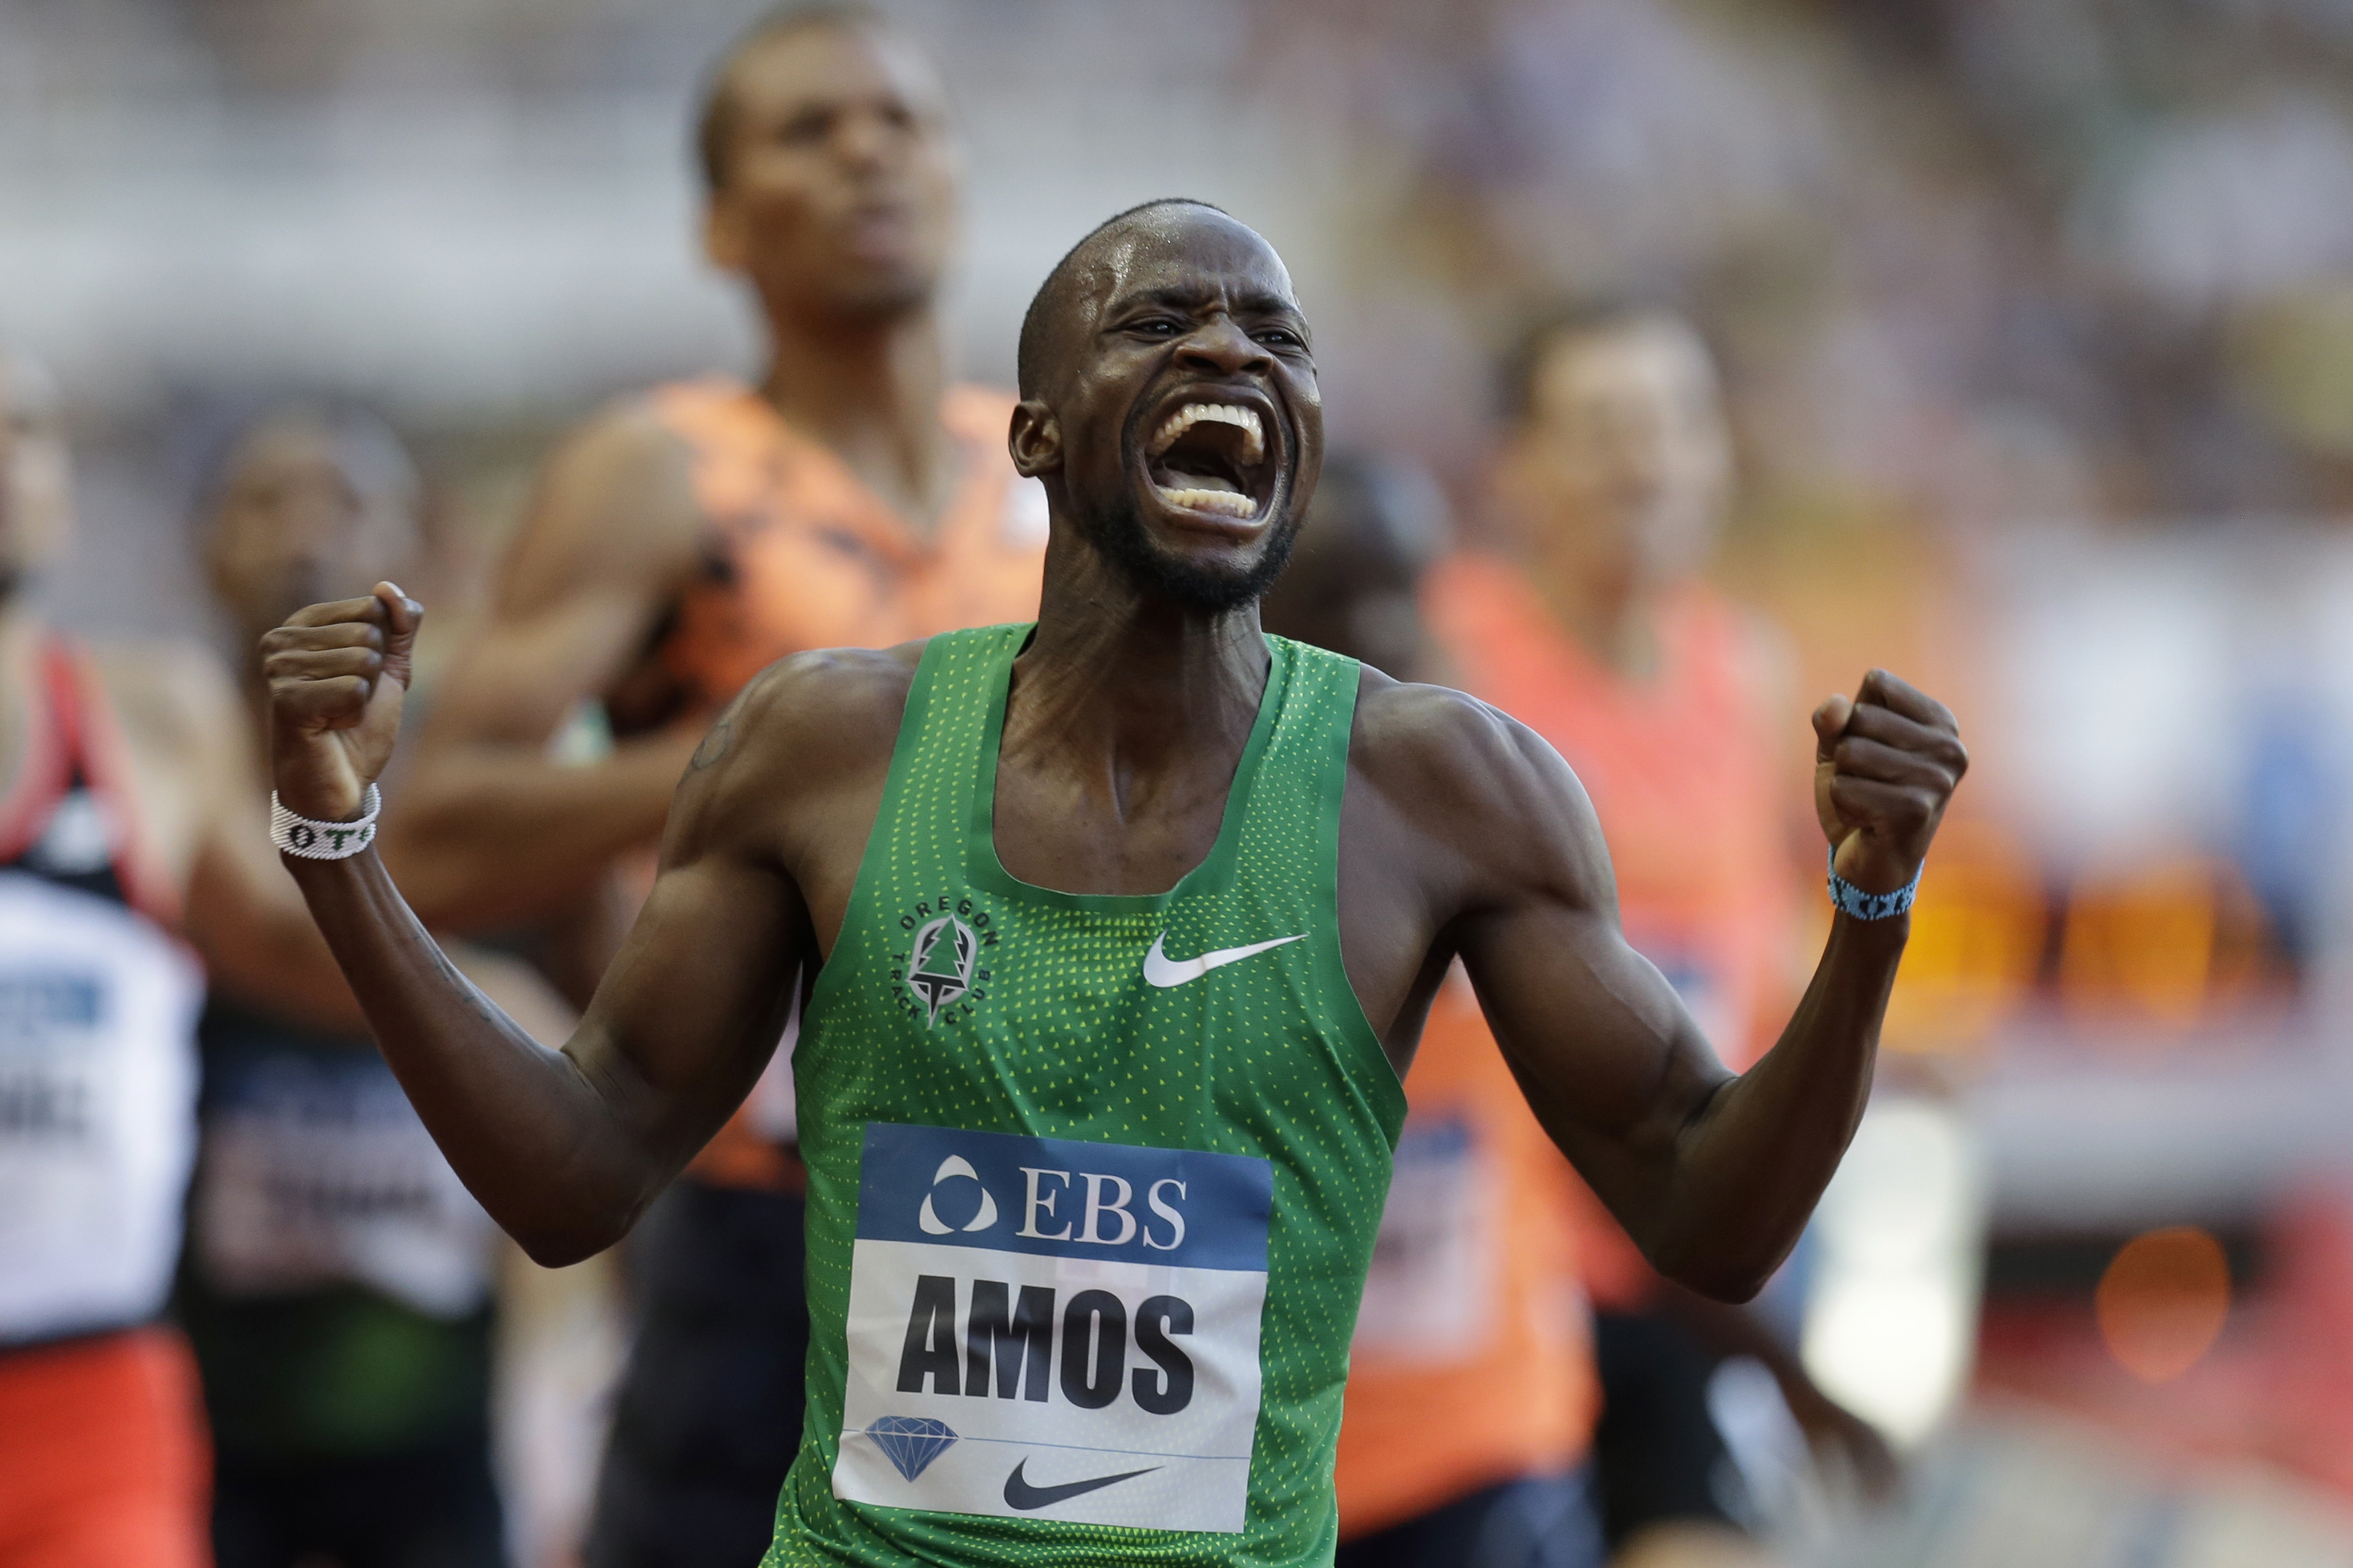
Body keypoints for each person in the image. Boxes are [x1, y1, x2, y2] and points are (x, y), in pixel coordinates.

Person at [260, 200, 1966, 1568]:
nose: (1229, 345)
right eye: (1160, 321)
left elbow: (1709, 1212)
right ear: (1035, 432)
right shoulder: (828, 749)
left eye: (1279, 337)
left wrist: (1871, 918)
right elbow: (578, 1172)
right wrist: (342, 851)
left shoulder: (1446, 791)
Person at [384, 6, 1047, 1562]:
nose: (868, 149)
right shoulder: (664, 472)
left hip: (1043, 1207)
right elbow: (438, 834)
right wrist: (759, 759)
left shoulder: (1047, 478)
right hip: (765, 1215)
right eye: (807, 131)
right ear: (720, 224)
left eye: (903, 121)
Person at [1430, 301, 1900, 1565]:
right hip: (1496, 1272)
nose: (1644, 462)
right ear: (1514, 466)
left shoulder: (1741, 666)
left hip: (1685, 1261)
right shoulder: (1437, 666)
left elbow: (1744, 946)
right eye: (1599, 430)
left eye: (1674, 423)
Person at [0, 358, 385, 1565]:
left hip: (92, 1405)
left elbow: (323, 959)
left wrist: (591, 1049)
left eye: (22, 427)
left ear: (62, 483)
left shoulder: (150, 719)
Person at [181, 403, 575, 1568]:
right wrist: (502, 1006)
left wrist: (557, 1386)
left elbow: (610, 1082)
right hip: (203, 1422)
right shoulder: (156, 756)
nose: (306, 534)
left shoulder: (490, 787)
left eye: (347, 505)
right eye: (266, 503)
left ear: (425, 557)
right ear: (204, 549)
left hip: (441, 1431)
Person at [1266, 459, 1607, 1568]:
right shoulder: (1159, 844)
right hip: (1240, 1466)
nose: (1381, 634)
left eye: (1406, 594)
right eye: (1332, 600)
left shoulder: (1500, 815)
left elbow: (1659, 1122)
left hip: (1483, 1445)